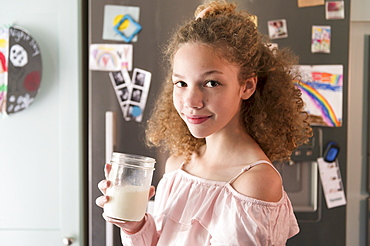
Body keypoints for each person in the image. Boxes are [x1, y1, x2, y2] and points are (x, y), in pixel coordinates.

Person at [96, 0, 312, 245]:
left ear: (247, 86)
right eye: (181, 83)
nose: (191, 101)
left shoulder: (254, 183)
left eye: (211, 83)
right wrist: (135, 226)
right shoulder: (178, 166)